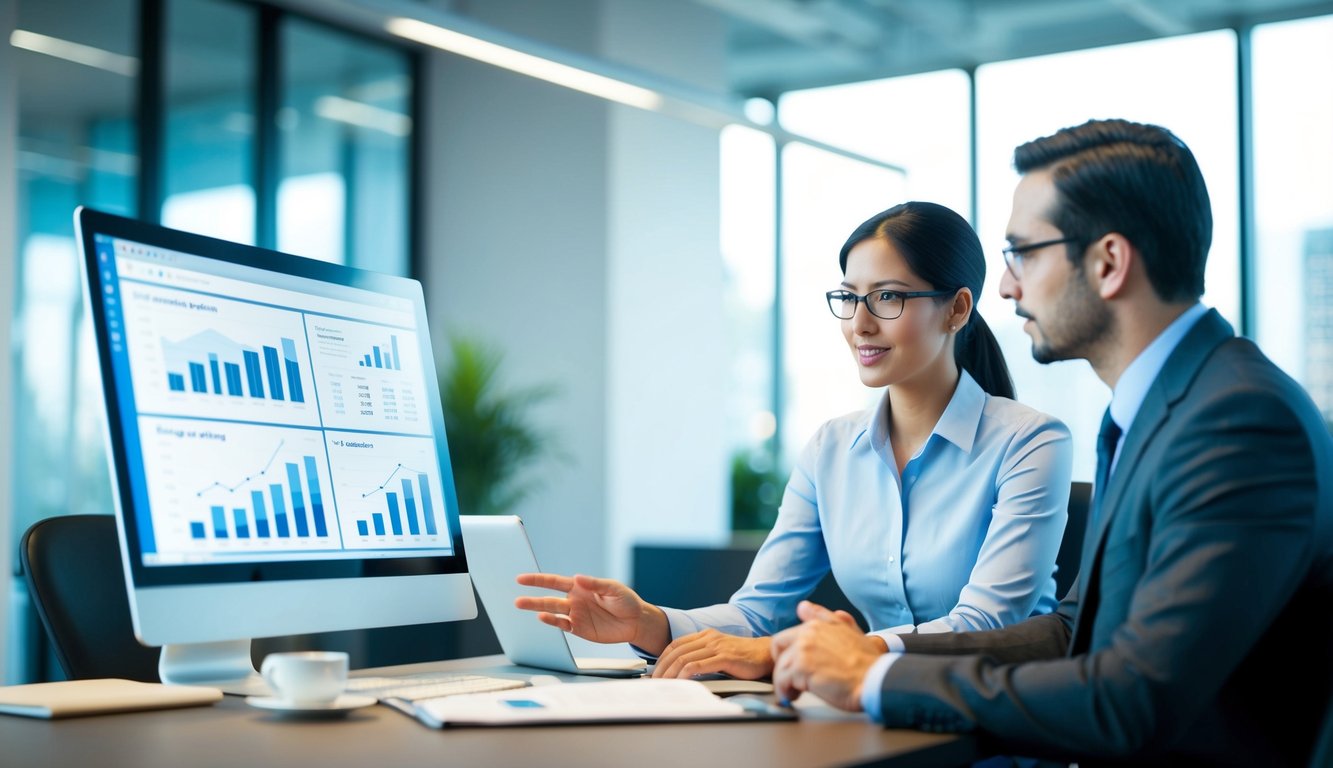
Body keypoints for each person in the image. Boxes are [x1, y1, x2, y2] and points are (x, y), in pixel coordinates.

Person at [771, 119, 1333, 766]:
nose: (1006, 286)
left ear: (1108, 262)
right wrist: (878, 652)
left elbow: (1130, 699)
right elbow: (1073, 631)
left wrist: (874, 680)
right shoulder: (1158, 412)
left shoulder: (1237, 420)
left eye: (1024, 253)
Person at [516, 201, 1073, 680]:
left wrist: (811, 651)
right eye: (850, 297)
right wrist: (651, 623)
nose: (860, 323)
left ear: (956, 308)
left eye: (887, 298)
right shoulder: (831, 450)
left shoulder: (1030, 442)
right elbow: (759, 612)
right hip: (876, 710)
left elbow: (987, 625)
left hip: (997, 722)